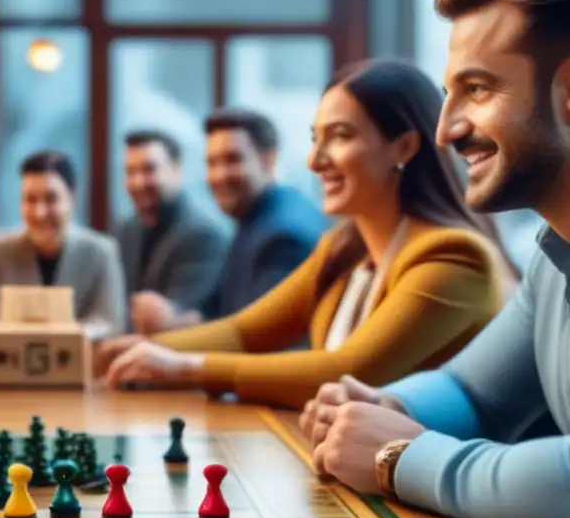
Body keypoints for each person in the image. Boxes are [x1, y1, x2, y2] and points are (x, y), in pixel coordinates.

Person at [300, 0, 570, 518]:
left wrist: (397, 454)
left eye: (477, 90)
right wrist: (379, 402)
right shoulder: (555, 248)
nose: (448, 129)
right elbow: (474, 391)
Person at [95, 59, 515, 410]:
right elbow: (245, 332)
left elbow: (345, 370)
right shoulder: (345, 246)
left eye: (340, 136)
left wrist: (184, 368)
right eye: (316, 139)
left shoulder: (455, 256)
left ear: (403, 147)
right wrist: (139, 348)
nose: (315, 161)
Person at [130, 109, 328, 335]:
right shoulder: (254, 218)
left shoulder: (282, 236)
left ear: (268, 160)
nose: (218, 176)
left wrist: (162, 342)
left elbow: (258, 337)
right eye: (211, 163)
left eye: (232, 160)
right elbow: (218, 311)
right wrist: (169, 323)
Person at [0, 150, 126, 338]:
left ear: (71, 198)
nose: (39, 212)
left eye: (50, 198)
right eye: (30, 200)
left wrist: (62, 338)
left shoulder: (101, 251)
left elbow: (109, 320)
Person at [113, 129, 229, 334]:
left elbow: (177, 320)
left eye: (149, 170)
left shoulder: (203, 235)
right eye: (130, 172)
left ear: (177, 170)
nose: (138, 182)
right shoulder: (126, 229)